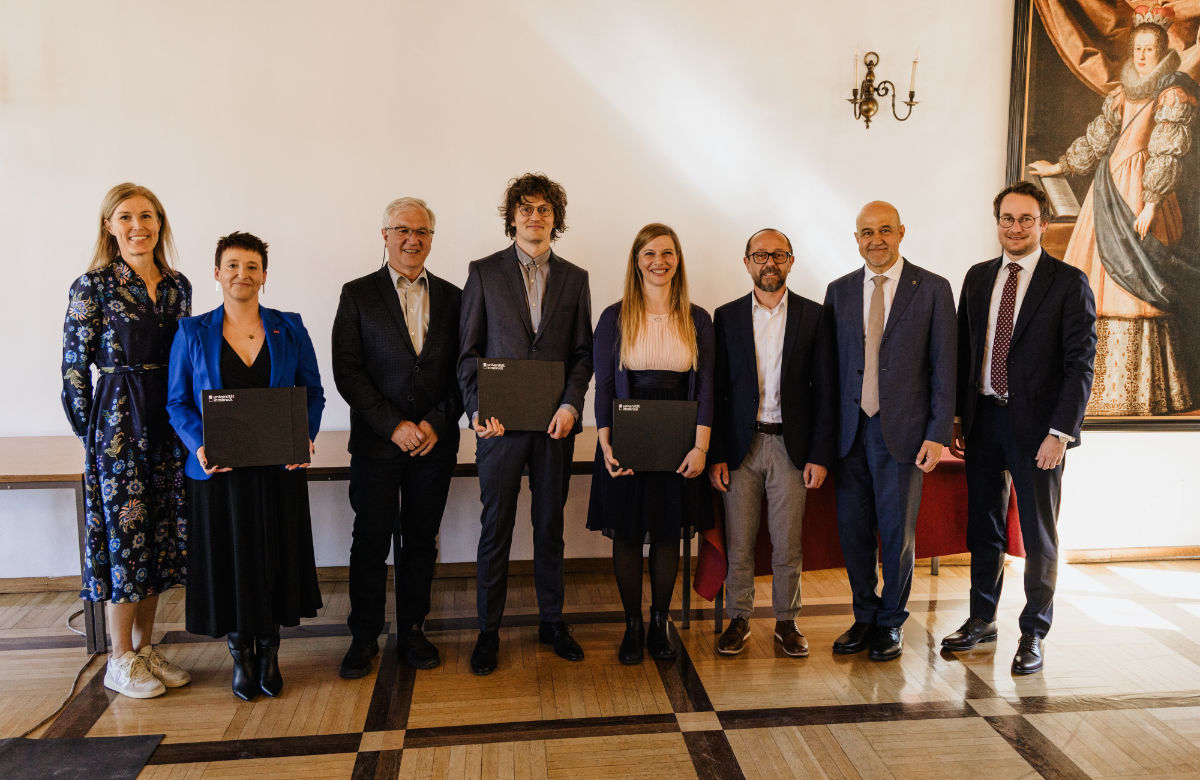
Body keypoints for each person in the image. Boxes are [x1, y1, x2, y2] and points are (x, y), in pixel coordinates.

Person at [942, 182, 1097, 675]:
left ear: (1043, 224)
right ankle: (982, 619)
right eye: (1007, 219)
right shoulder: (978, 277)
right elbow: (965, 350)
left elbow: (1081, 365)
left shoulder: (1068, 283)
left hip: (1039, 432)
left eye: (1025, 219)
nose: (1015, 227)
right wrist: (958, 416)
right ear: (998, 223)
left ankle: (1034, 632)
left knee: (1038, 534)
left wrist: (1060, 433)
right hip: (984, 420)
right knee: (984, 528)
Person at [167, 232, 325, 701]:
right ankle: (241, 653)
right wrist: (198, 444)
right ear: (216, 273)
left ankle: (271, 650)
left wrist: (306, 436)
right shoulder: (191, 332)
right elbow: (177, 403)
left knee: (276, 558)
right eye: (232, 265)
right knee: (233, 560)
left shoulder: (290, 327)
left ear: (264, 276)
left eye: (252, 266)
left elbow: (312, 392)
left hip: (279, 468)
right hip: (220, 474)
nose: (242, 274)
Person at [1029, 4, 1198, 415]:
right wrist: (1061, 166)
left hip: (1142, 192)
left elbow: (1165, 151)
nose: (1142, 56)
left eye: (1149, 49)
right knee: (1094, 284)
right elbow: (1099, 136)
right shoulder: (1122, 92)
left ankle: (1142, 393)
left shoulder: (1172, 91)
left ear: (1161, 52)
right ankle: (1096, 391)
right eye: (1137, 49)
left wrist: (1152, 203)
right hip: (1108, 192)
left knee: (1136, 289)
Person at [458, 173, 593, 675]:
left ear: (555, 220)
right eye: (526, 208)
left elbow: (582, 355)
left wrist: (571, 405)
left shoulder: (576, 278)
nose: (535, 217)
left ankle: (552, 622)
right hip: (498, 429)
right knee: (495, 528)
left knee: (550, 528)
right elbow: (468, 353)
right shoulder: (483, 273)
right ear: (511, 216)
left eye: (544, 210)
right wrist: (475, 412)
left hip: (555, 427)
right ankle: (488, 631)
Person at [62, 182, 192, 699]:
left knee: (157, 538)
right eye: (126, 216)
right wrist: (92, 436)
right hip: (118, 426)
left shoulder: (178, 285)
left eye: (148, 215)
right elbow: (74, 370)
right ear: (109, 226)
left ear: (160, 223)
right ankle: (118, 656)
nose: (138, 225)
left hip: (169, 420)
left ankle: (145, 647)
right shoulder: (91, 287)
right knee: (124, 542)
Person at [332, 197, 462, 678]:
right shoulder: (357, 294)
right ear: (384, 235)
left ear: (432, 238)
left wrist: (434, 422)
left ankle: (412, 631)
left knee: (421, 540)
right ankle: (363, 636)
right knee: (369, 540)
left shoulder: (455, 296)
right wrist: (393, 425)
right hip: (376, 445)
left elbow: (463, 372)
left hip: (433, 444)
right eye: (403, 230)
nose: (413, 239)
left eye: (423, 232)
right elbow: (347, 371)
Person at [822, 201, 956, 662]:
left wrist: (938, 432)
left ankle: (891, 623)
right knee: (853, 530)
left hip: (902, 434)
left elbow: (945, 367)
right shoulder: (838, 292)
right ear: (855, 239)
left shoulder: (933, 289)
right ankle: (864, 616)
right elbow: (830, 370)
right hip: (849, 433)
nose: (875, 240)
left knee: (897, 534)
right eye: (865, 232)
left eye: (884, 231)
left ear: (901, 232)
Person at [587, 223, 714, 664]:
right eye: (649, 254)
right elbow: (603, 385)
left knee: (666, 535)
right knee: (626, 534)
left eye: (667, 253)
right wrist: (605, 444)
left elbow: (707, 388)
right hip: (628, 436)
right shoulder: (613, 317)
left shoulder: (698, 318)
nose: (659, 261)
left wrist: (700, 447)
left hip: (680, 439)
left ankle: (659, 623)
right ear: (636, 261)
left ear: (678, 260)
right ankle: (632, 625)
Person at [708, 228, 834, 659]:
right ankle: (739, 617)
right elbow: (717, 391)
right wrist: (718, 454)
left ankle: (787, 620)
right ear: (746, 263)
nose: (769, 263)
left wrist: (819, 454)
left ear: (791, 261)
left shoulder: (814, 317)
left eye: (778, 255)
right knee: (740, 542)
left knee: (787, 543)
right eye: (760, 256)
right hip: (741, 449)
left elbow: (825, 392)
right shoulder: (725, 318)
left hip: (791, 448)